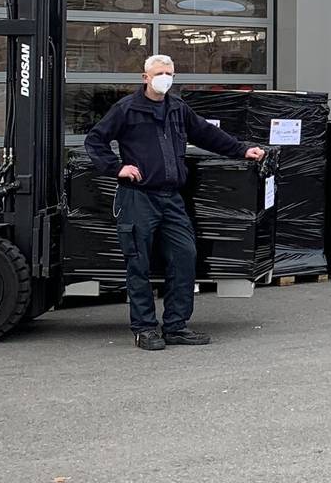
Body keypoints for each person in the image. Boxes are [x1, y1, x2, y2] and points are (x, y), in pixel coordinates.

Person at [84, 55, 264, 352]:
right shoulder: (126, 109)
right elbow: (95, 140)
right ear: (145, 78)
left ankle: (176, 326)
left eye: (169, 73)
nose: (164, 77)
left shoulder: (177, 108)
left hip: (171, 199)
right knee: (138, 262)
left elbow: (207, 134)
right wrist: (116, 168)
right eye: (159, 73)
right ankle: (144, 329)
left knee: (184, 256)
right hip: (138, 197)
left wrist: (242, 150)